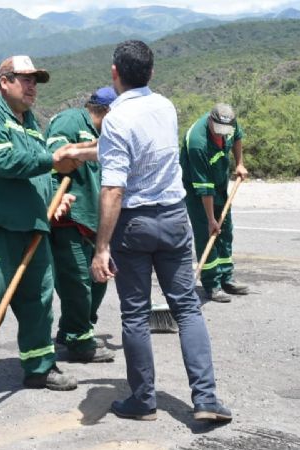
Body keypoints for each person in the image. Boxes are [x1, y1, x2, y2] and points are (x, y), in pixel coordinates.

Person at [90, 40, 232, 423]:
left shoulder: (116, 120)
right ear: (151, 73)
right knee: (186, 307)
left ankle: (142, 400)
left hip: (133, 225)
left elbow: (114, 188)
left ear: (115, 73)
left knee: (134, 315)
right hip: (173, 218)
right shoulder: (166, 107)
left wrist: (102, 247)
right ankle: (206, 398)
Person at [0, 55, 85, 401]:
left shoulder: (28, 122)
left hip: (29, 223)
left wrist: (54, 197)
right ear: (4, 81)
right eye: (25, 79)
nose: (32, 86)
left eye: (35, 81)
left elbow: (36, 173)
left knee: (38, 295)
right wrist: (52, 159)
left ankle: (40, 366)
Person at [45, 86, 118, 363]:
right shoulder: (71, 120)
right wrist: (95, 148)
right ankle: (79, 341)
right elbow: (56, 155)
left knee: (98, 280)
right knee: (77, 281)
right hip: (69, 219)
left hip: (94, 221)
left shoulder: (103, 133)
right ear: (108, 111)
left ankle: (72, 328)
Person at [180, 103, 249, 303]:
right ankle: (212, 284)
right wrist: (211, 219)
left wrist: (239, 163)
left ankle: (227, 278)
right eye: (218, 131)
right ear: (211, 120)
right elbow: (204, 188)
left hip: (219, 183)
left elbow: (237, 138)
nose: (221, 135)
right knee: (207, 233)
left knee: (226, 231)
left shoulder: (229, 124)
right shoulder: (197, 142)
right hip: (197, 190)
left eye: (224, 132)